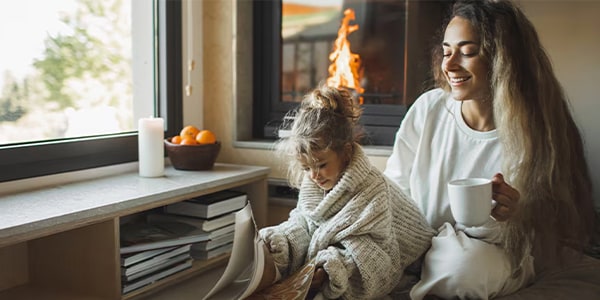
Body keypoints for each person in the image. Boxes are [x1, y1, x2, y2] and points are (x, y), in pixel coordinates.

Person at [383, 0, 598, 299]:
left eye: (467, 52)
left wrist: (513, 213)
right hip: (417, 237)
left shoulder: (532, 130)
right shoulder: (428, 109)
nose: (449, 64)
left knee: (461, 274)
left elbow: (539, 228)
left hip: (490, 246)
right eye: (446, 51)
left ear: (502, 58)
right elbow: (395, 187)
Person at [258, 85, 436, 299]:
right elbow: (305, 223)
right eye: (307, 168)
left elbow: (375, 251)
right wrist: (282, 241)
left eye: (322, 165)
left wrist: (334, 267)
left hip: (413, 258)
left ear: (346, 152)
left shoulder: (372, 189)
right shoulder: (314, 183)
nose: (314, 175)